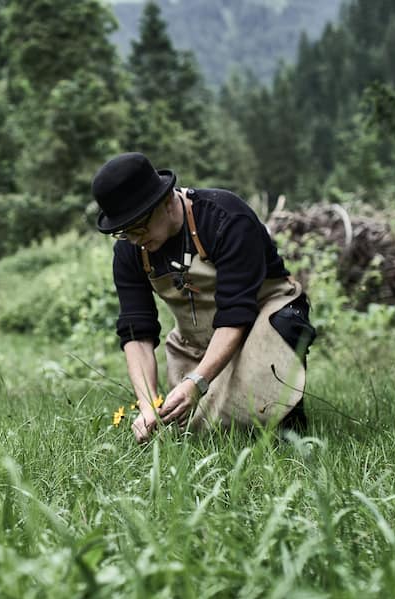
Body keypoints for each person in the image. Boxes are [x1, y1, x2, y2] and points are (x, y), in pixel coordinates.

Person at [92, 152, 315, 443]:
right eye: (124, 232)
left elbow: (236, 313)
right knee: (193, 428)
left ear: (165, 202)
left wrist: (197, 382)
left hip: (260, 318)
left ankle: (288, 417)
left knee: (262, 403)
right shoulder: (130, 250)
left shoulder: (226, 218)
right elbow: (136, 331)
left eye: (139, 226)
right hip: (198, 340)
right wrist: (147, 404)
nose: (134, 239)